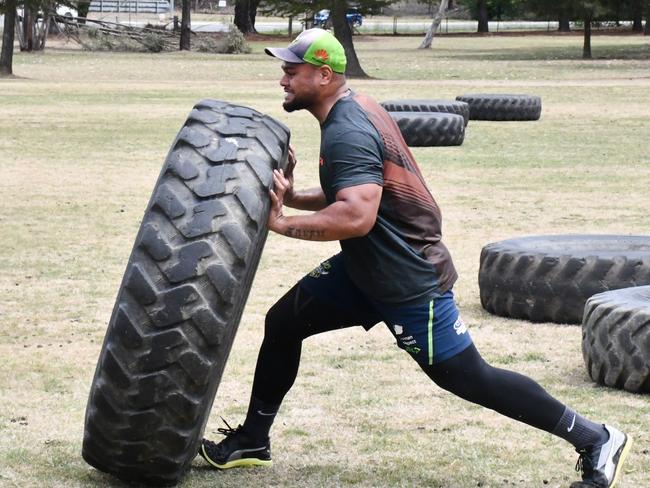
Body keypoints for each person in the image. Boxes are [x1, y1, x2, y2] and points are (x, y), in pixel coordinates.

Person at [198, 28, 631, 488]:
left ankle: (596, 438)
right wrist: (294, 197)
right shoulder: (353, 108)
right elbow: (354, 187)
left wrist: (280, 222)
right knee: (284, 322)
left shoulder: (347, 130)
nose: (282, 79)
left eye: (291, 70)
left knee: (467, 377)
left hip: (405, 276)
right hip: (365, 269)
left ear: (323, 75)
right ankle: (253, 439)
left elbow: (357, 215)